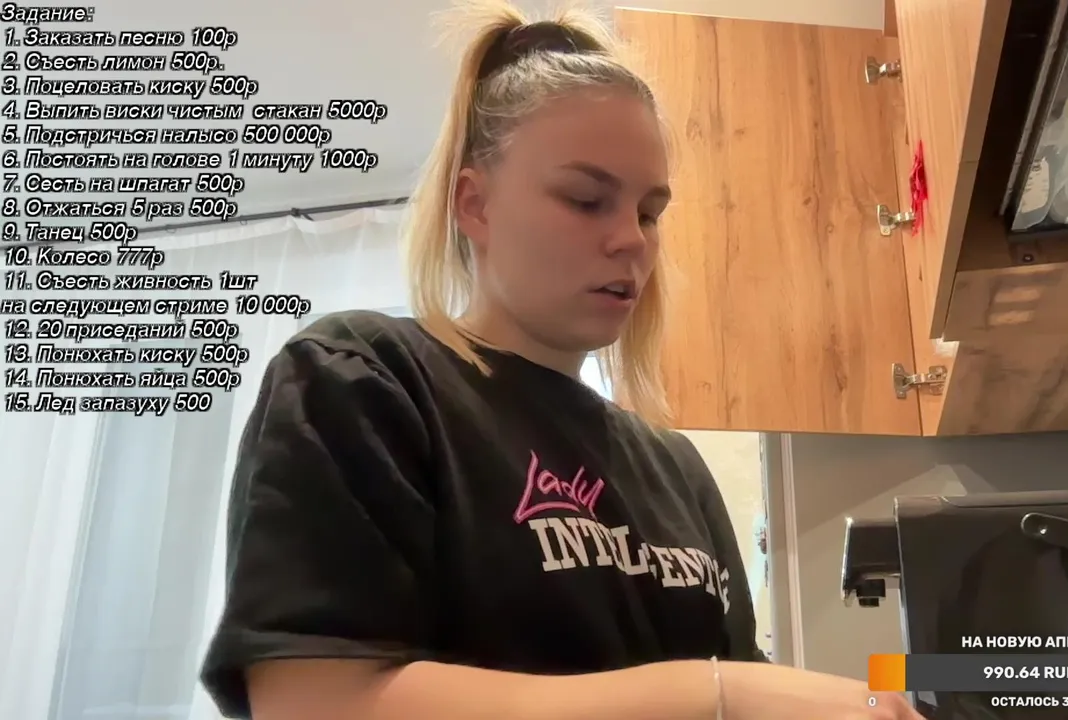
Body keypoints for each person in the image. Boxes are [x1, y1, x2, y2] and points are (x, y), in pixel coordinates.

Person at [198, 1, 925, 718]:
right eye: (586, 200)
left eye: (649, 212)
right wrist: (719, 693)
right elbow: (319, 703)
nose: (632, 240)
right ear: (474, 205)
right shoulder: (364, 379)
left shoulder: (676, 469)